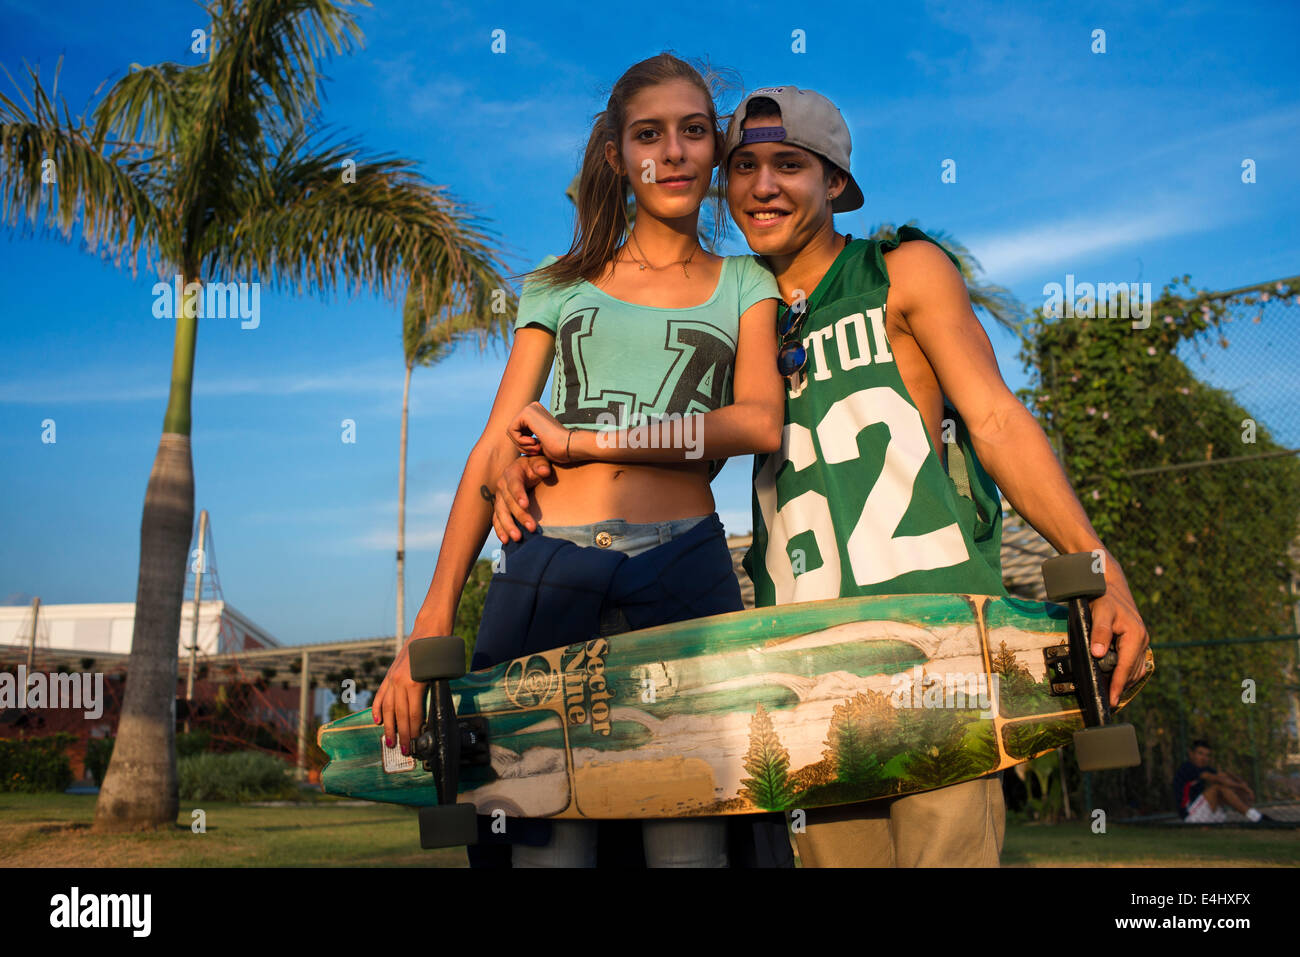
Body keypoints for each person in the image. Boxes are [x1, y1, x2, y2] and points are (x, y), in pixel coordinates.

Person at [494, 85, 1152, 867]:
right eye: (744, 166)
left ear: (834, 182)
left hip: (933, 645)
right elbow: (654, 411)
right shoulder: (741, 307)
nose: (763, 185)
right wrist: (522, 451)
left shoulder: (900, 270)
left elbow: (996, 418)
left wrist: (1097, 564)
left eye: (789, 164)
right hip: (803, 665)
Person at [370, 52, 787, 868]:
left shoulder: (746, 282)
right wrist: (426, 634)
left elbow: (758, 423)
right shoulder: (557, 286)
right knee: (544, 844)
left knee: (690, 843)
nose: (672, 152)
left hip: (685, 577)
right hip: (544, 573)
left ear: (715, 149)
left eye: (693, 131)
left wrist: (583, 440)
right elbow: (490, 452)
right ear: (616, 156)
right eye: (649, 134)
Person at [1174, 740, 1269, 823]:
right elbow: (1218, 779)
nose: (1204, 758)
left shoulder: (1205, 768)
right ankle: (1258, 818)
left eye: (1207, 755)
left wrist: (1241, 785)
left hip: (1204, 813)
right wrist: (1242, 787)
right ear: (1191, 753)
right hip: (1190, 816)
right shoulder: (1187, 767)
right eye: (1200, 754)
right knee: (1218, 787)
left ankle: (1255, 816)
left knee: (1225, 788)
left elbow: (1224, 775)